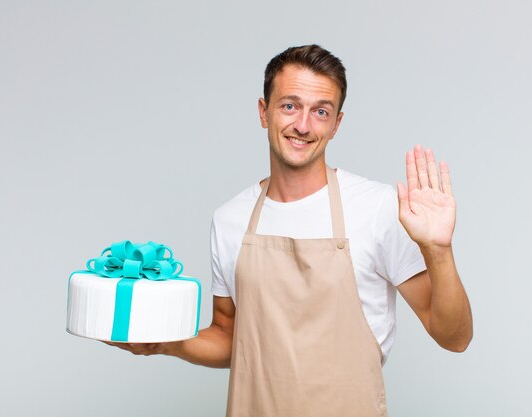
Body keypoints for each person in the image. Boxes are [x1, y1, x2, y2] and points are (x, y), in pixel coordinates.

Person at [110, 44, 472, 417]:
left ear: (336, 124)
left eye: (320, 111)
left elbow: (454, 337)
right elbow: (231, 337)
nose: (303, 125)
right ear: (263, 112)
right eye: (289, 106)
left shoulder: (377, 208)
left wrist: (438, 249)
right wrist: (168, 344)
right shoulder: (230, 219)